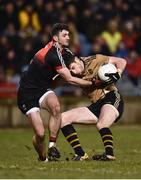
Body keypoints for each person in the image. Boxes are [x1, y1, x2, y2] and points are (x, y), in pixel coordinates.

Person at [17, 23, 92, 162]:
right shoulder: (52, 54)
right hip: (27, 92)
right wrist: (91, 83)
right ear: (55, 38)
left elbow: (77, 62)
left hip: (43, 89)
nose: (68, 37)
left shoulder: (64, 51)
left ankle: (52, 146)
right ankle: (42, 157)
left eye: (68, 34)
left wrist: (80, 68)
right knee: (40, 134)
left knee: (56, 107)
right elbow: (70, 79)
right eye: (65, 35)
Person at [58, 52, 127, 161]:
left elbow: (122, 61)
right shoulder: (71, 75)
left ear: (77, 60)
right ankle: (81, 154)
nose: (73, 72)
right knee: (62, 118)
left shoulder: (96, 60)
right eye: (70, 70)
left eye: (73, 68)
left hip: (111, 97)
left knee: (101, 124)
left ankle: (109, 154)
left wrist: (118, 73)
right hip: (96, 105)